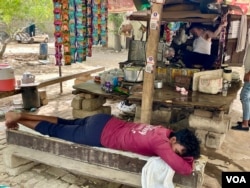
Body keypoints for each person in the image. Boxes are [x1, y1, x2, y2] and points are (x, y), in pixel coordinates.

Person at [5, 112, 200, 175]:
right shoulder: (162, 144)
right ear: (173, 140)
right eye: (178, 151)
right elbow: (184, 169)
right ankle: (19, 119)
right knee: (55, 131)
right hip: (98, 134)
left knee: (65, 122)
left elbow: (178, 158)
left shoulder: (162, 130)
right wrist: (187, 160)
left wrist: (185, 152)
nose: (176, 155)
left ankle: (22, 115)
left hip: (104, 120)